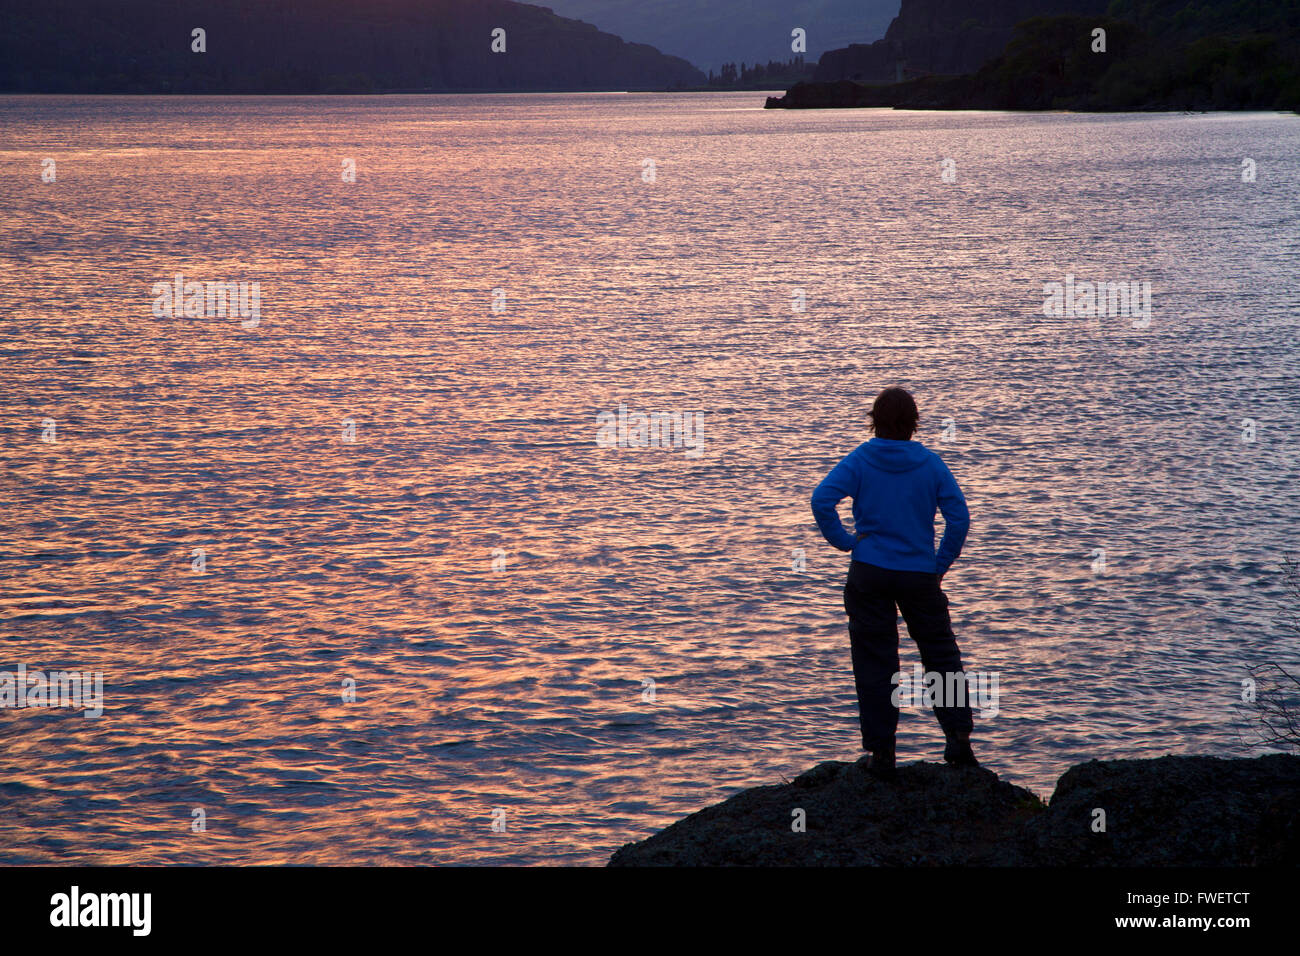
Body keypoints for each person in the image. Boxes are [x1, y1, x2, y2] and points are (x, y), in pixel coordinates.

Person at [810, 386, 976, 778]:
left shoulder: (861, 459)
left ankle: (882, 754)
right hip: (919, 574)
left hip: (870, 572)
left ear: (875, 420)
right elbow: (959, 519)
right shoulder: (930, 464)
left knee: (875, 662)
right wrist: (939, 565)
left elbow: (822, 500)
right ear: (914, 423)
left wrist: (846, 542)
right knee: (941, 657)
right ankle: (958, 742)